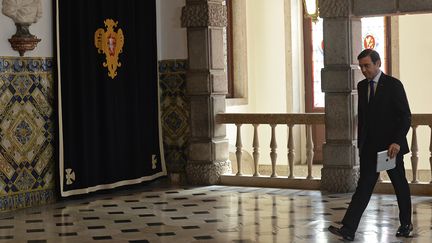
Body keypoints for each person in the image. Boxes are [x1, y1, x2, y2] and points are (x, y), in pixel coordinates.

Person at [328, 49, 413, 241]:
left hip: (391, 149)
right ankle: (348, 229)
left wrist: (397, 142)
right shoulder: (362, 86)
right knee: (363, 188)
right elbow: (364, 120)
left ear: (378, 63)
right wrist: (362, 145)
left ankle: (406, 224)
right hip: (369, 149)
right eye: (361, 67)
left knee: (400, 185)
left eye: (367, 66)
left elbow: (405, 117)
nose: (364, 70)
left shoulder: (393, 85)